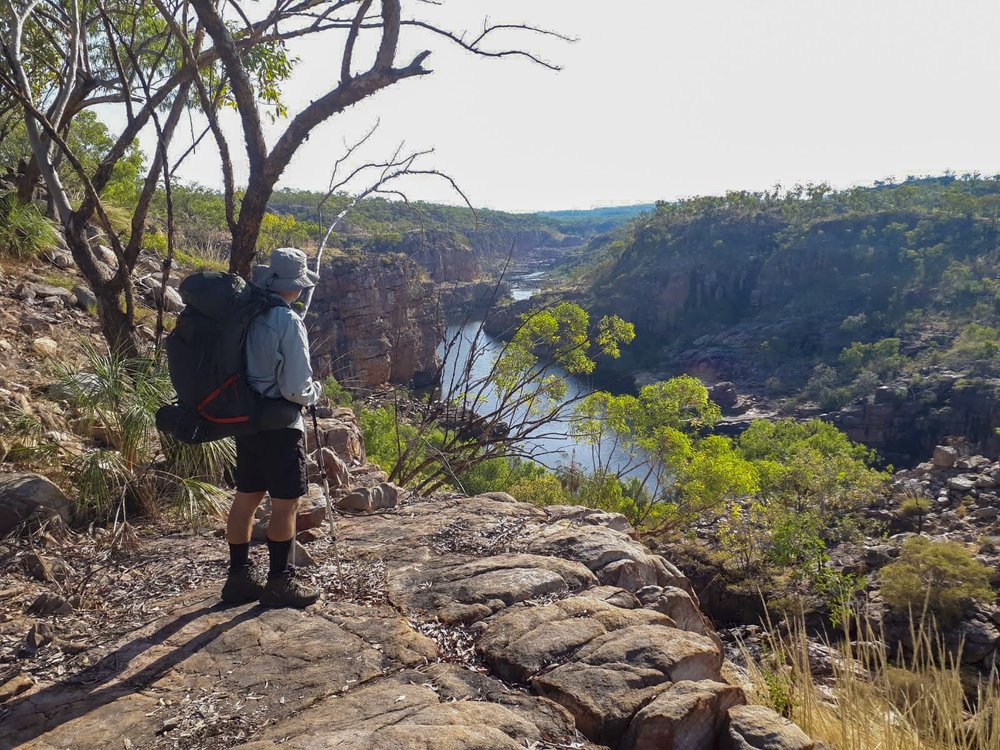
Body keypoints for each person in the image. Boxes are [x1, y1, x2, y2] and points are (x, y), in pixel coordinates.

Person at [221, 247, 323, 608]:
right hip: (280, 424)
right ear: (294, 286)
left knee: (246, 497)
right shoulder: (287, 320)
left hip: (244, 419)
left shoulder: (243, 312)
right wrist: (316, 393)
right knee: (285, 505)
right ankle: (280, 582)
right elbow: (296, 387)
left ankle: (238, 578)